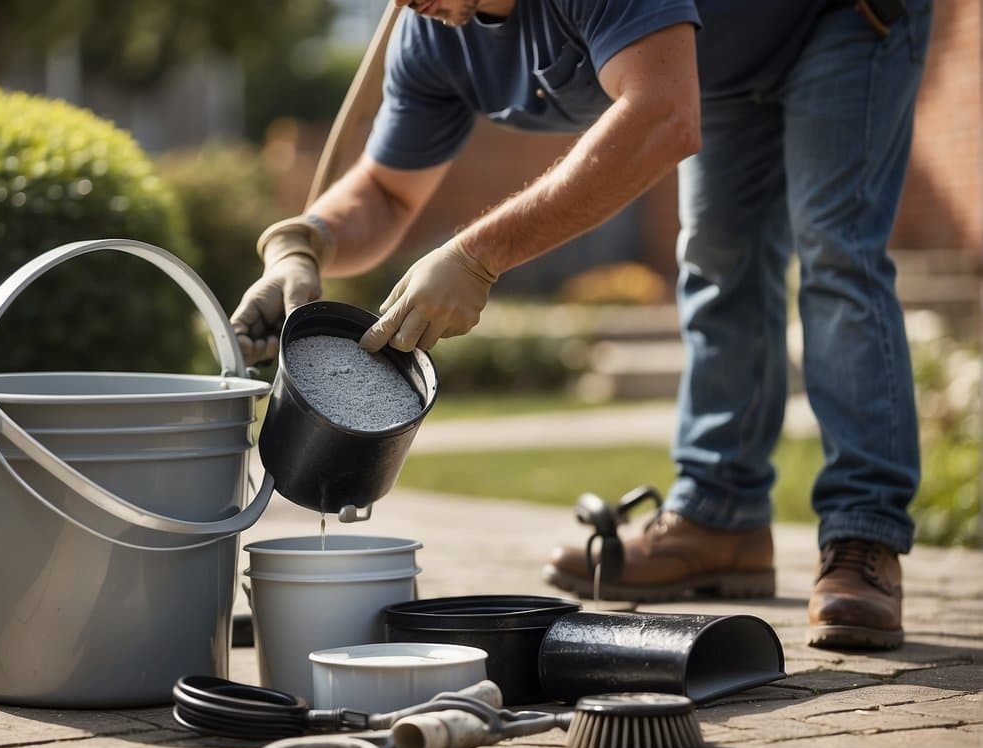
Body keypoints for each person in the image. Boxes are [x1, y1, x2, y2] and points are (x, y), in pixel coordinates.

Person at [230, 0, 931, 650]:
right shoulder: (433, 28)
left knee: (834, 251)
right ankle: (721, 518)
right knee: (717, 264)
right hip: (725, 57)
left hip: (835, 16)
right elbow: (385, 191)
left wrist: (478, 256)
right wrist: (301, 243)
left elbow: (660, 113)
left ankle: (862, 535)